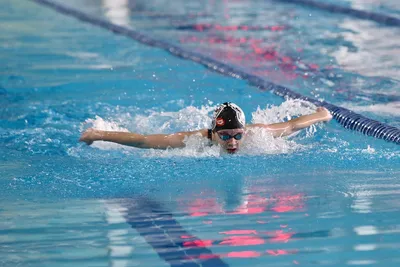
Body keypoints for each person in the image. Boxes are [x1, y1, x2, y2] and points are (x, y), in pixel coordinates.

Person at [79, 102, 333, 154]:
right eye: (225, 136)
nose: (232, 142)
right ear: (213, 133)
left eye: (237, 135)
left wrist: (321, 115)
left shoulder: (259, 134)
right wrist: (98, 134)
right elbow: (143, 140)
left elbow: (292, 125)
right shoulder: (194, 140)